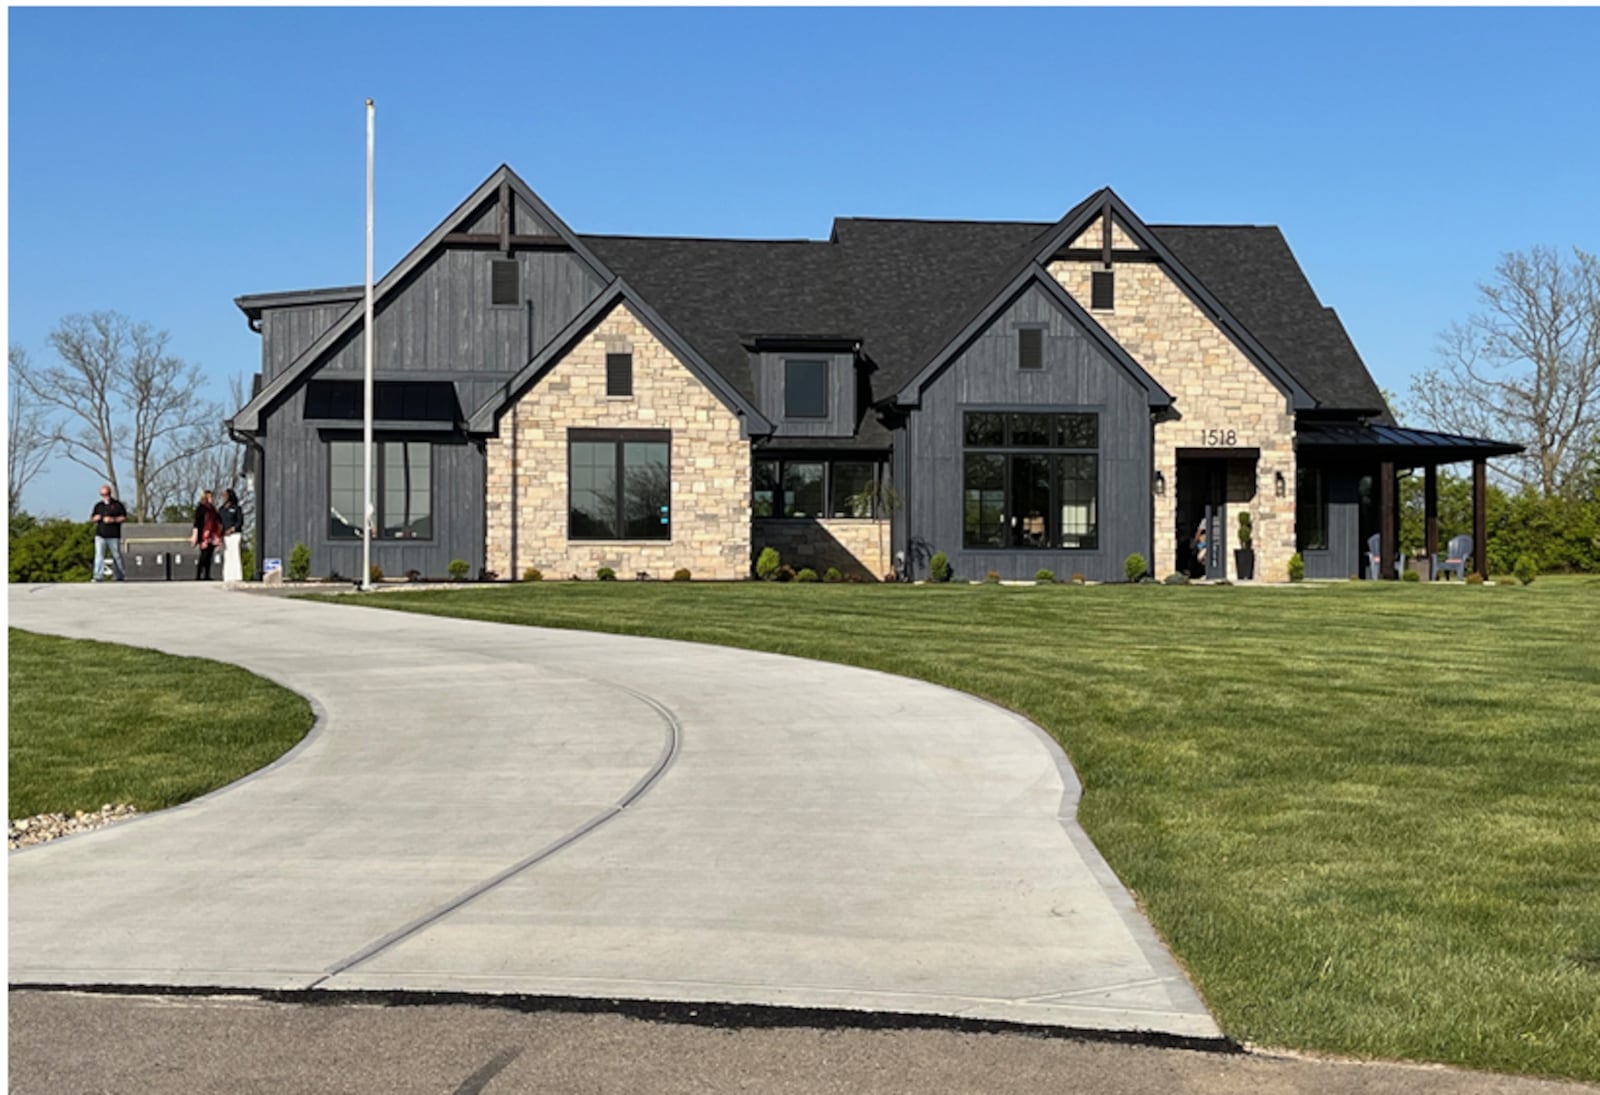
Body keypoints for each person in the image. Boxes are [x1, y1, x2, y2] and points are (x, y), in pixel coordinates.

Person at [90, 484, 128, 582]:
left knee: (116, 556)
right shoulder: (98, 506)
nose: (105, 496)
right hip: (100, 535)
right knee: (99, 555)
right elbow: (92, 518)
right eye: (102, 494)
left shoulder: (117, 505)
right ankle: (98, 576)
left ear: (110, 494)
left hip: (113, 535)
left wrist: (113, 519)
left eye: (106, 494)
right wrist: (96, 518)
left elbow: (124, 517)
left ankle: (120, 575)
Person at [190, 490, 224, 581]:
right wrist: (195, 535)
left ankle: (207, 574)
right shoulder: (201, 508)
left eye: (212, 497)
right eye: (210, 497)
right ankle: (198, 574)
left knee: (210, 555)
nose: (212, 499)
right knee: (203, 555)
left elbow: (218, 520)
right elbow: (197, 522)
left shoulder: (213, 509)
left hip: (212, 535)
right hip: (204, 535)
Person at [218, 488, 245, 582]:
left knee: (235, 554)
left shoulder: (236, 508)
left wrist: (232, 529)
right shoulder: (221, 510)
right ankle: (227, 576)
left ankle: (237, 576)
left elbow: (240, 521)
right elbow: (219, 523)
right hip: (225, 536)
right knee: (227, 555)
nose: (223, 497)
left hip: (235, 535)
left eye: (225, 495)